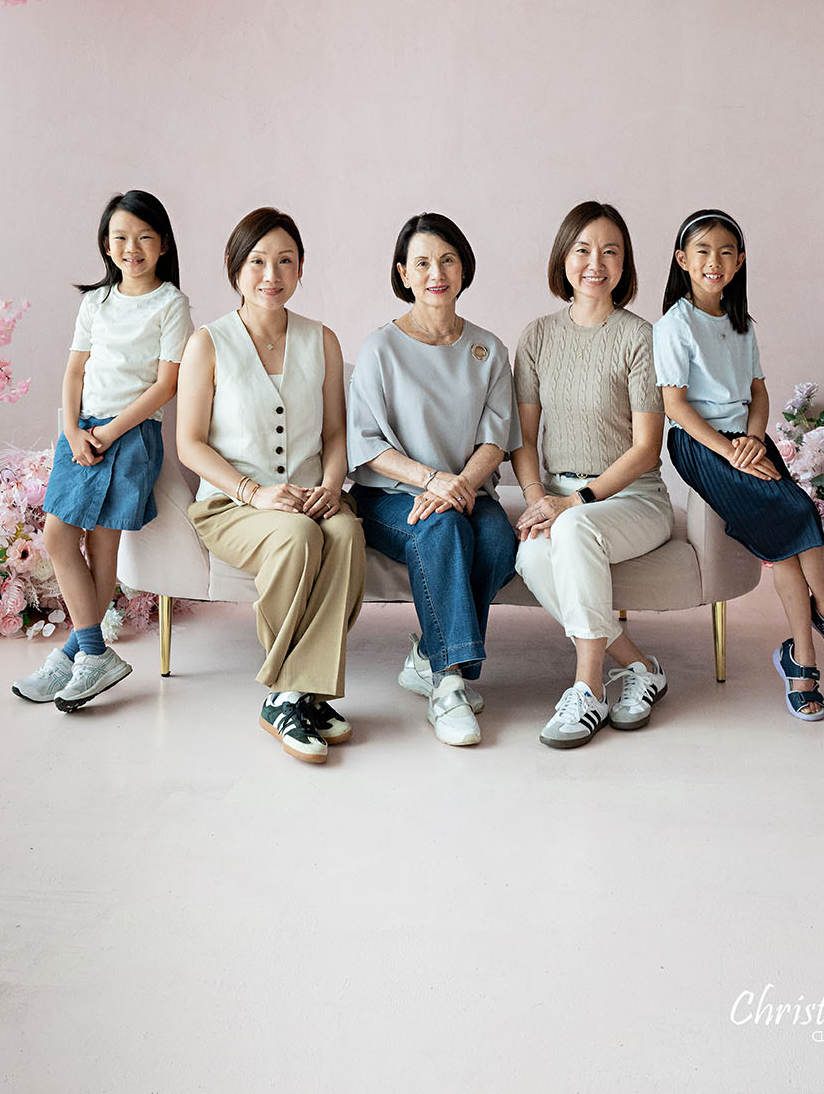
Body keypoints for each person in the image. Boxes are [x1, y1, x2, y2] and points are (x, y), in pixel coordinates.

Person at [653, 208, 824, 722]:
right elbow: (675, 407)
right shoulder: (674, 325)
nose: (715, 261)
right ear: (683, 260)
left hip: (747, 441)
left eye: (726, 251)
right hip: (701, 445)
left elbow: (758, 392)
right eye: (703, 251)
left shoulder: (741, 324)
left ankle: (801, 657)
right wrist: (730, 449)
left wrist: (754, 438)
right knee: (798, 513)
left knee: (786, 545)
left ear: (740, 261)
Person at [177, 207, 365, 765]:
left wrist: (332, 486)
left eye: (285, 261)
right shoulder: (207, 343)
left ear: (301, 269)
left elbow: (334, 433)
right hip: (233, 507)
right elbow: (190, 443)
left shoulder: (321, 340)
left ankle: (298, 693)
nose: (271, 274)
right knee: (297, 539)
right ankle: (289, 694)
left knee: (347, 536)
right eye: (257, 261)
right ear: (235, 269)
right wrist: (253, 493)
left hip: (313, 496)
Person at [14, 189, 192, 711]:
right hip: (81, 434)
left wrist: (110, 432)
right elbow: (74, 371)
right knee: (59, 536)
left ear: (162, 244)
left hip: (131, 437)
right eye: (119, 237)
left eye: (143, 237)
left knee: (103, 546)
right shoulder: (95, 301)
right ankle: (89, 651)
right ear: (106, 244)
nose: (130, 247)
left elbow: (165, 386)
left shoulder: (171, 304)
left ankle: (82, 654)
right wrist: (72, 431)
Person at [348, 213, 519, 748]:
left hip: (466, 491)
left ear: (464, 268)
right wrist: (433, 481)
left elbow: (497, 437)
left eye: (446, 260)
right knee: (443, 531)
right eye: (421, 262)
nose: (435, 272)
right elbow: (367, 444)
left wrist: (459, 484)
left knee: (495, 539)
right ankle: (448, 687)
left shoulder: (489, 349)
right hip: (390, 498)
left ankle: (428, 656)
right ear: (403, 273)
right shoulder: (381, 348)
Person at [511, 201, 675, 748]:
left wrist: (575, 502)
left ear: (625, 265)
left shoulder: (639, 337)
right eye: (582, 249)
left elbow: (647, 449)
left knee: (572, 530)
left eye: (610, 251)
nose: (595, 263)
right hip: (558, 496)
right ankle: (640, 667)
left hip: (633, 499)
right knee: (531, 552)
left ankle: (587, 689)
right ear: (563, 258)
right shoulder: (536, 336)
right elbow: (525, 439)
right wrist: (538, 497)